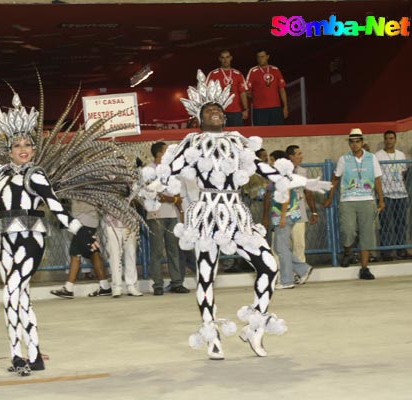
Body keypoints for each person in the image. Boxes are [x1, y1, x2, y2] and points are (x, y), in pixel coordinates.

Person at [139, 70, 330, 359]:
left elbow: (267, 171)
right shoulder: (191, 142)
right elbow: (169, 172)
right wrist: (150, 186)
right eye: (209, 110)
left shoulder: (238, 142)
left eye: (219, 110)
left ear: (225, 117)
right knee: (206, 277)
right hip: (205, 215)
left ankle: (256, 326)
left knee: (268, 265)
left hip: (236, 215)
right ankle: (211, 334)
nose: (215, 112)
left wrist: (305, 182)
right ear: (199, 119)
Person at [0, 88, 139, 377]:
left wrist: (81, 234)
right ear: (10, 149)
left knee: (11, 293)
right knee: (22, 297)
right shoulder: (1, 173)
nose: (23, 148)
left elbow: (57, 208)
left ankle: (17, 356)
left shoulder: (36, 174)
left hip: (30, 239)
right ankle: (35, 355)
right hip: (5, 240)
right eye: (17, 145)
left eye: (28, 144)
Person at [323, 128, 385, 280]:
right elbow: (336, 178)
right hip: (348, 200)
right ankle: (347, 251)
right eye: (352, 142)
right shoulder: (344, 159)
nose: (355, 145)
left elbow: (377, 179)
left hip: (367, 199)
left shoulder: (371, 158)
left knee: (367, 233)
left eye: (357, 142)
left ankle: (364, 268)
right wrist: (330, 197)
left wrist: (381, 200)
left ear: (362, 142)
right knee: (348, 230)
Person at [145, 142, 190, 296]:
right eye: (166, 151)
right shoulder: (149, 170)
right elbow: (154, 194)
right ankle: (157, 284)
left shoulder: (171, 170)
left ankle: (177, 282)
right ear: (159, 153)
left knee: (173, 250)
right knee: (157, 251)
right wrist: (172, 200)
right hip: (156, 215)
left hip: (171, 214)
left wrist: (180, 210)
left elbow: (177, 194)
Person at [268, 151, 313, 289]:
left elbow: (286, 197)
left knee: (282, 249)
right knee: (280, 248)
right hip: (284, 215)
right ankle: (302, 269)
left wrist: (282, 216)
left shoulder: (282, 177)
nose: (270, 162)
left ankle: (287, 280)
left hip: (285, 215)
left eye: (271, 159)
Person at [50, 200, 112, 298]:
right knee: (93, 253)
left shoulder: (82, 187)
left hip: (83, 223)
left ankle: (69, 288)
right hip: (87, 221)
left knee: (76, 254)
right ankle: (105, 286)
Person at [374, 130, 411, 260]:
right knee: (386, 223)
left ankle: (401, 250)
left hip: (401, 193)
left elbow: (403, 173)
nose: (389, 141)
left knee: (401, 223)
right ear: (384, 140)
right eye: (387, 138)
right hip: (386, 194)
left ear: (395, 140)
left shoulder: (401, 155)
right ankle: (387, 252)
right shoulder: (378, 156)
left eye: (391, 138)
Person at [285, 145, 320, 265]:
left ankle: (300, 271)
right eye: (298, 154)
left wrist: (314, 211)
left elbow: (308, 192)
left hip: (299, 210)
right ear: (291, 157)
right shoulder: (281, 172)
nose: (301, 157)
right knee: (284, 244)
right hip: (284, 211)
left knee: (299, 243)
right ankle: (285, 271)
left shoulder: (302, 171)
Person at [206, 50, 249, 126]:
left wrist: (245, 109)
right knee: (219, 135)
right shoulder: (213, 74)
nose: (225, 60)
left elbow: (242, 93)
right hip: (219, 111)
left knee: (236, 135)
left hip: (236, 111)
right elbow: (207, 93)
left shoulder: (238, 74)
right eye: (223, 58)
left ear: (231, 58)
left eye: (227, 57)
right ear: (220, 59)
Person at [246, 49, 288, 126]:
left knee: (277, 132)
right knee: (261, 133)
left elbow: (282, 89)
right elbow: (247, 91)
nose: (260, 59)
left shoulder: (275, 70)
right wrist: (255, 97)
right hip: (259, 109)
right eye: (258, 57)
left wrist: (285, 107)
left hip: (275, 108)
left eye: (262, 56)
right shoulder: (253, 71)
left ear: (267, 57)